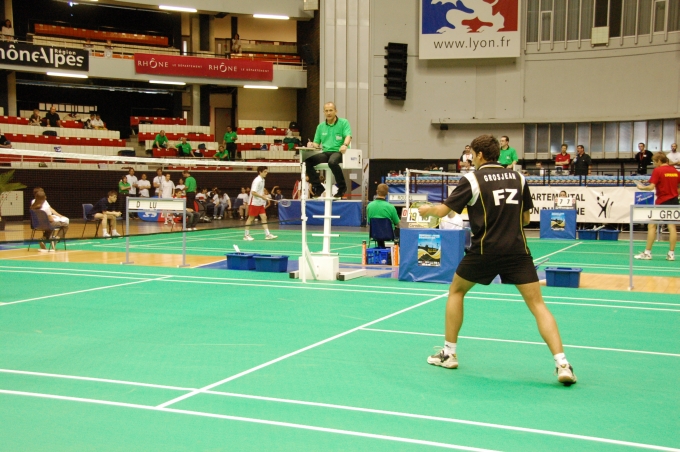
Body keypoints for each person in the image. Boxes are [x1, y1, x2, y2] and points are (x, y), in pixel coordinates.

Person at [417, 134, 577, 385]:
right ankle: (563, 364)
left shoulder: (472, 179)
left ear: (480, 155)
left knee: (456, 291)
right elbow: (525, 219)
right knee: (538, 305)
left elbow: (443, 211)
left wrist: (427, 209)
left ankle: (449, 353)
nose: (471, 159)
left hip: (484, 250)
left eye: (472, 155)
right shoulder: (519, 178)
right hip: (517, 250)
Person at [634, 152, 679, 261]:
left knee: (652, 226)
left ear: (659, 161)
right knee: (672, 227)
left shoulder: (658, 170)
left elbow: (651, 187)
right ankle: (671, 254)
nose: (654, 164)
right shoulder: (675, 171)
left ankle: (647, 253)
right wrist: (674, 193)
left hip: (662, 201)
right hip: (674, 201)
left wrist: (641, 188)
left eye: (654, 161)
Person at [306, 102, 352, 198]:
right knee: (308, 162)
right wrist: (311, 145)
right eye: (326, 111)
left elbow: (348, 136)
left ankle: (342, 187)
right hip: (326, 152)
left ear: (335, 111)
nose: (328, 113)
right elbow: (316, 143)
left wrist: (345, 145)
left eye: (331, 110)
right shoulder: (320, 126)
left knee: (332, 162)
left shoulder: (343, 122)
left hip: (339, 152)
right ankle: (318, 187)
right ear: (324, 112)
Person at [244, 166, 278, 241]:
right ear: (260, 172)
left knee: (264, 217)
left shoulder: (263, 180)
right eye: (265, 171)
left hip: (260, 202)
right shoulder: (257, 180)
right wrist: (262, 197)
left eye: (266, 171)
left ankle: (267, 234)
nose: (266, 173)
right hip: (254, 202)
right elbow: (253, 192)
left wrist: (264, 196)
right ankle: (246, 235)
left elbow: (259, 191)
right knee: (251, 218)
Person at [366, 184, 400, 248]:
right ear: (387, 193)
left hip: (374, 234)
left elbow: (369, 222)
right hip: (389, 234)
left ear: (377, 191)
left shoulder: (369, 206)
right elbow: (398, 223)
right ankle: (398, 249)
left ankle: (381, 247)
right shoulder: (391, 207)